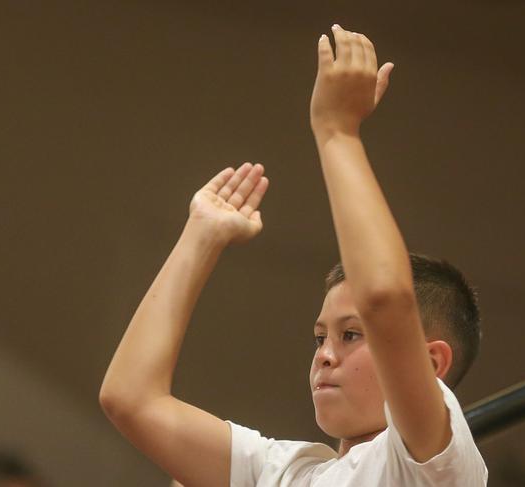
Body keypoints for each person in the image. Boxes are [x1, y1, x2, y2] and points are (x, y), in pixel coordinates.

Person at [100, 25, 487, 486]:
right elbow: (130, 399)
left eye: (350, 335)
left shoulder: (433, 461)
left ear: (431, 365)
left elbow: (384, 296)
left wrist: (338, 132)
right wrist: (201, 236)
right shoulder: (282, 470)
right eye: (320, 337)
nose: (324, 355)